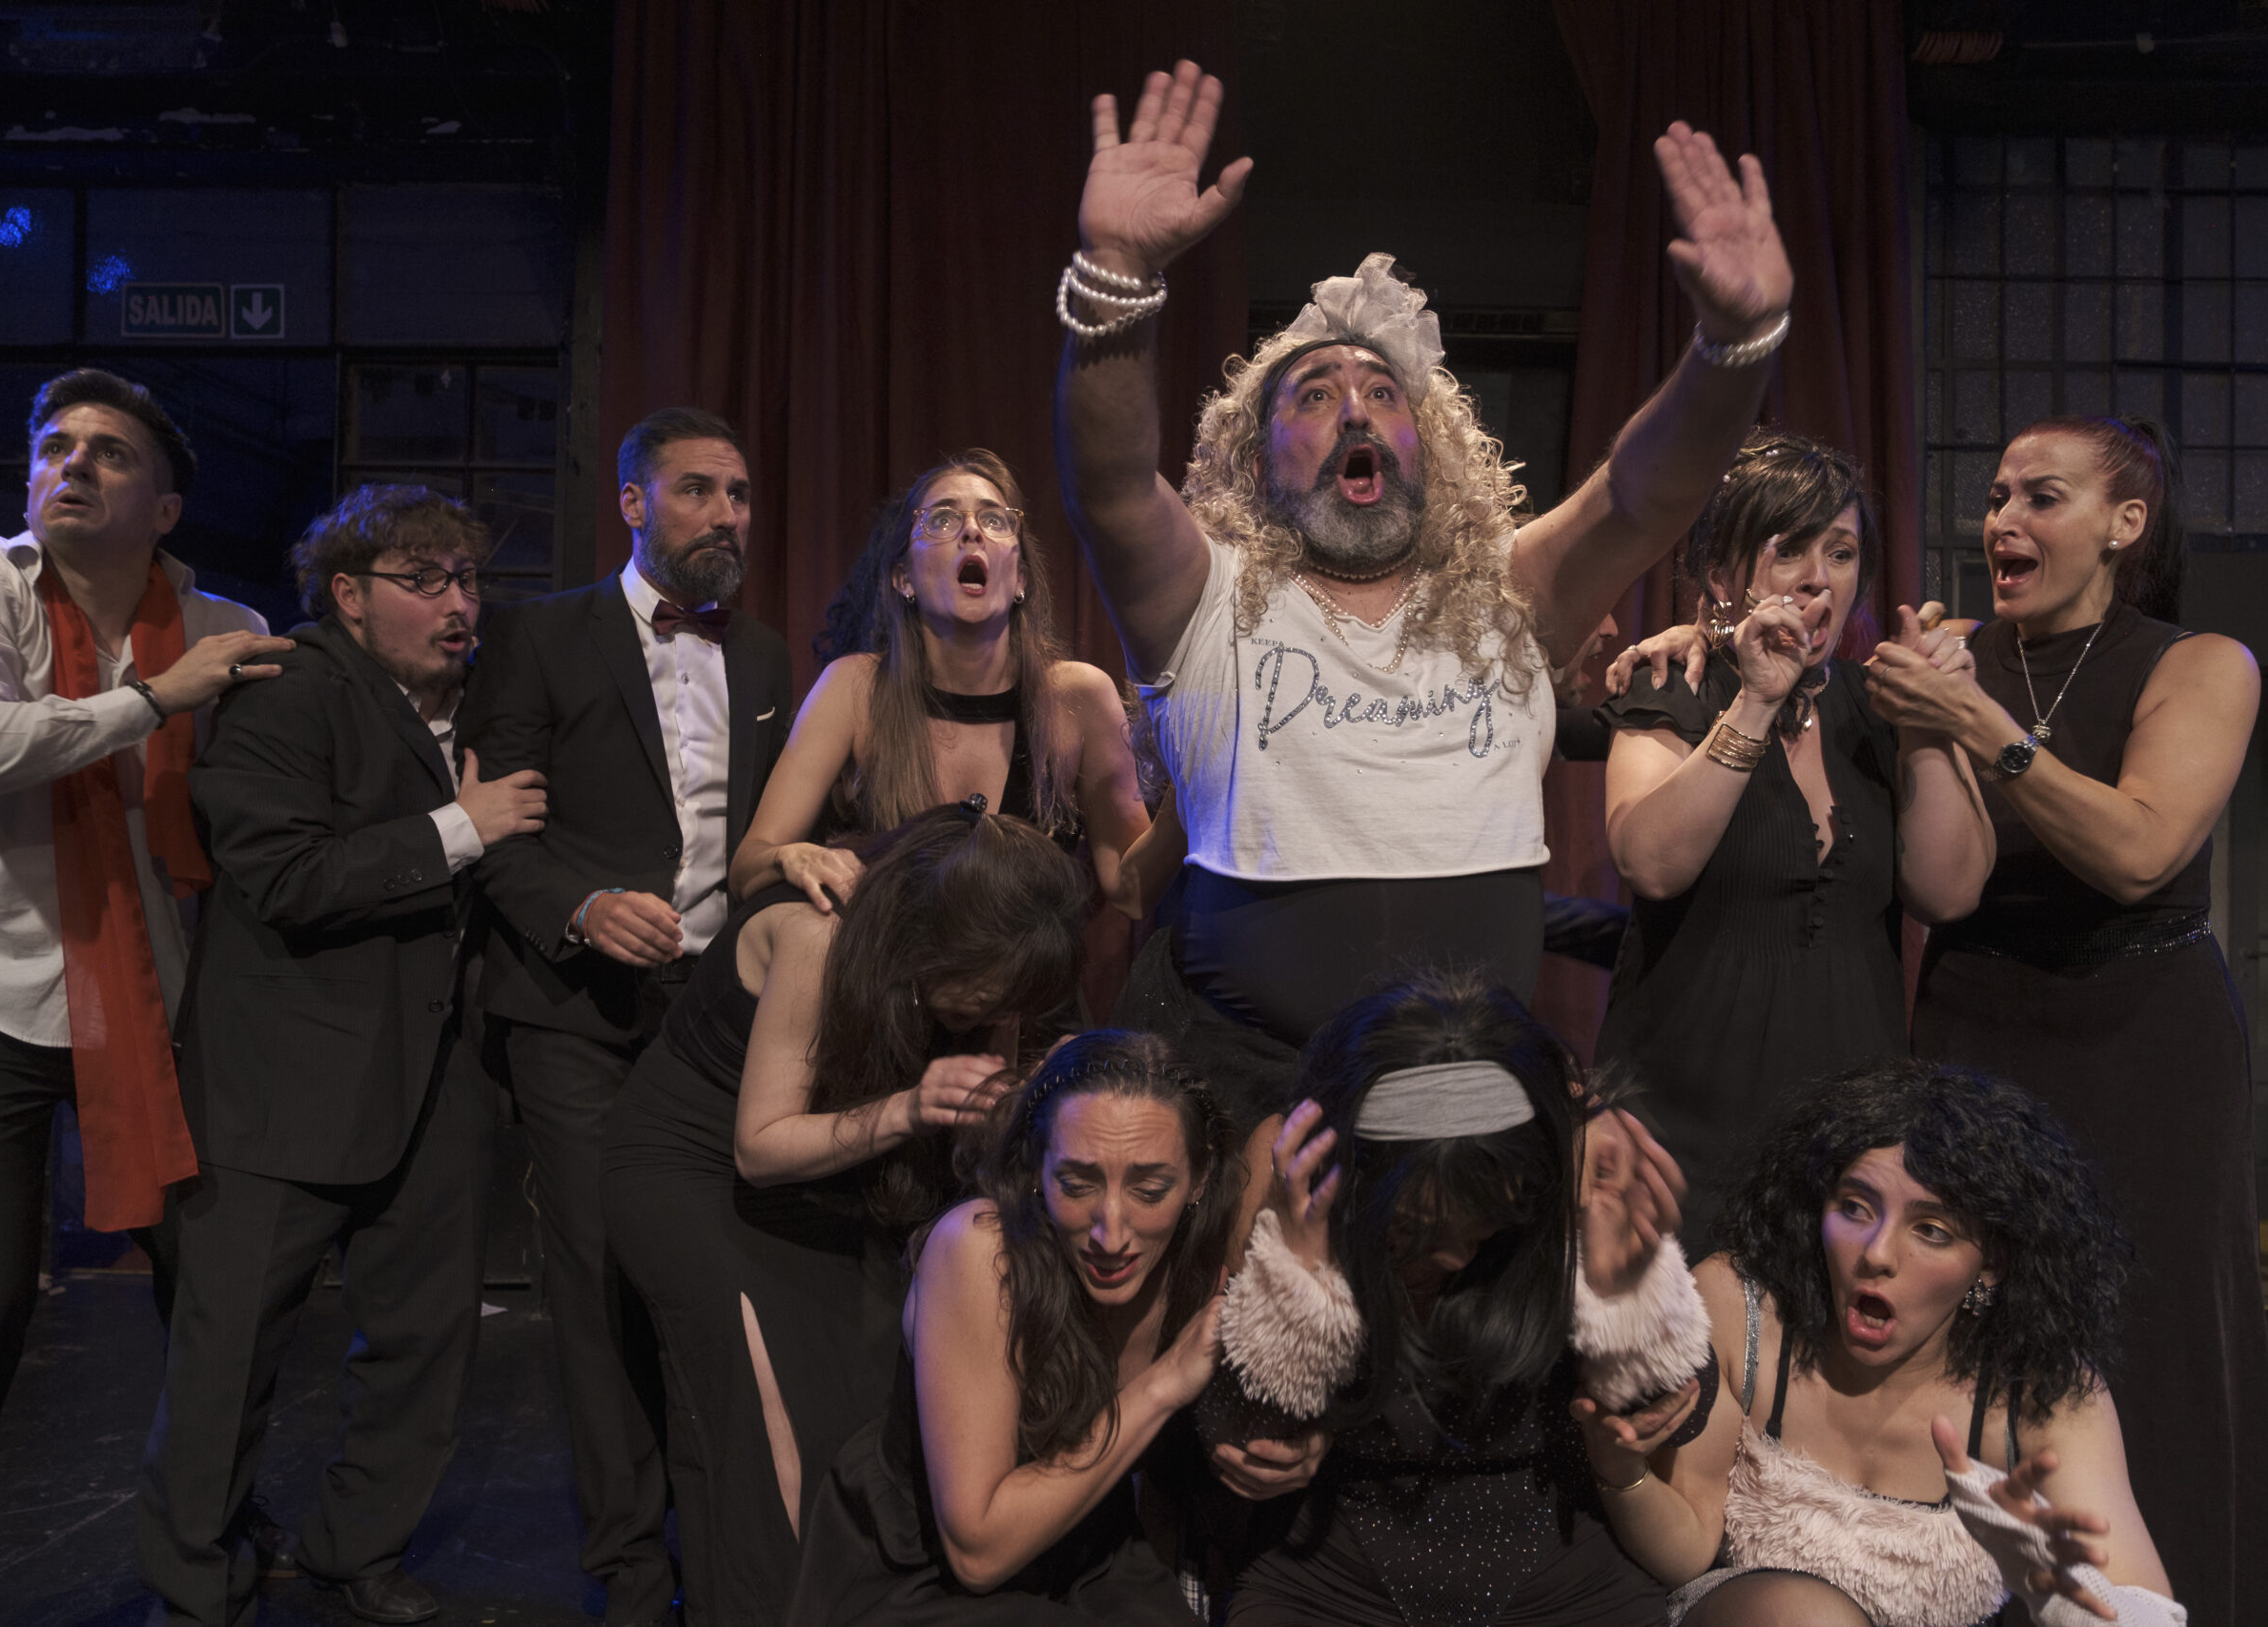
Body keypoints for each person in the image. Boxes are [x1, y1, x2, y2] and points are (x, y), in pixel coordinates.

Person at [1052, 63, 1796, 1117]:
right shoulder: (1205, 598)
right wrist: (1116, 277)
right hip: (1244, 1097)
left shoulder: (1511, 594)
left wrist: (1731, 349)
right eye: (1316, 395)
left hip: (1467, 1099)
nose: (1356, 409)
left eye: (1382, 391)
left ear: (1429, 444)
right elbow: (1113, 487)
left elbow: (1641, 495)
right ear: (1255, 461)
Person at [1852, 415, 2268, 1625]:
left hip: (2145, 1037)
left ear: (2123, 523)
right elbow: (1942, 889)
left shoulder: (2198, 663)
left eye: (2041, 497)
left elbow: (2140, 851)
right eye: (1996, 497)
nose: (2002, 520)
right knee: (1965, 1328)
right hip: (1978, 1027)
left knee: (2151, 1343)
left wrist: (1976, 722)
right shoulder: (1947, 659)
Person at [0, 368, 290, 1623]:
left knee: (224, 1291)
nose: (70, 464)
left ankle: (213, 1539)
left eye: (109, 452)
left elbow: (270, 808)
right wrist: (151, 702)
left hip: (150, 996)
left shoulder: (222, 624)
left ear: (165, 508)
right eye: (54, 445)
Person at [133, 485, 543, 1625]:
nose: (457, 604)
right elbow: (285, 876)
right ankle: (194, 1586)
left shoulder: (486, 702)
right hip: (285, 1080)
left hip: (435, 1076)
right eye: (425, 581)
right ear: (349, 596)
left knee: (424, 1341)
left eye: (466, 580)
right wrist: (462, 828)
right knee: (228, 1358)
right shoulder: (287, 689)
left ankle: (355, 1550)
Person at [460, 406, 797, 1625]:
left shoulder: (767, 660)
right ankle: (630, 1566)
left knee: (712, 1276)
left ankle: (720, 1547)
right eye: (698, 490)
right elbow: (494, 833)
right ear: (633, 505)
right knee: (603, 1281)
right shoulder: (540, 637)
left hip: (716, 1022)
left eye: (740, 494)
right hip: (575, 1012)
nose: (727, 515)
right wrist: (584, 906)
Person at [603, 803, 1090, 1625]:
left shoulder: (994, 963)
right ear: (935, 941)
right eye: (983, 998)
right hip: (698, 1170)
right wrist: (910, 1109)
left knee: (865, 1413)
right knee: (769, 1437)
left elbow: (982, 1113)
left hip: (828, 1176)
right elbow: (760, 1146)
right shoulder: (819, 938)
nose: (988, 1017)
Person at [1576, 1060, 2186, 1627]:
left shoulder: (2043, 1390)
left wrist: (2062, 1594)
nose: (1877, 1254)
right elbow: (1687, 1548)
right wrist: (1621, 1471)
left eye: (1931, 1230)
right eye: (1855, 1207)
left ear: (1991, 1264)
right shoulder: (1740, 1306)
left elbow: (2146, 1612)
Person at [1195, 970, 1716, 1625]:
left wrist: (1624, 1295)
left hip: (1562, 1579)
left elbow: (1672, 1412)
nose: (1454, 1258)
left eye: (1483, 1227)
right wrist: (1296, 1277)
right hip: (1335, 1581)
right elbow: (1223, 1419)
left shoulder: (1582, 1180)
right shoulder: (1292, 1175)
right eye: (1414, 1232)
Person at [1595, 433, 1992, 1233]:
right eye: (1790, 551)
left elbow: (1948, 891)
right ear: (1722, 576)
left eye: (1840, 552)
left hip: (1854, 1136)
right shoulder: (1675, 686)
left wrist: (1930, 720)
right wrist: (1755, 700)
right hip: (1682, 1132)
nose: (1818, 577)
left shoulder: (1880, 708)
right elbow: (1651, 862)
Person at [787, 1029, 1244, 1624]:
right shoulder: (979, 1250)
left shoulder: (1198, 1261)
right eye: (1076, 1184)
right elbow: (978, 1554)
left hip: (1089, 1555)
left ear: (1199, 1179)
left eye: (1150, 1190)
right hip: (924, 1575)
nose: (1111, 1233)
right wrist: (1164, 1384)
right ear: (1034, 1165)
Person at [729, 450, 1150, 914]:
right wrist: (790, 858)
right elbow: (748, 867)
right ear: (903, 579)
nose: (972, 531)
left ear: (1021, 580)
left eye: (995, 519)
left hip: (1031, 960)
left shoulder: (1078, 697)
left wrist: (1189, 799)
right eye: (942, 519)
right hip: (892, 959)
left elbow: (1133, 892)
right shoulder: (853, 688)